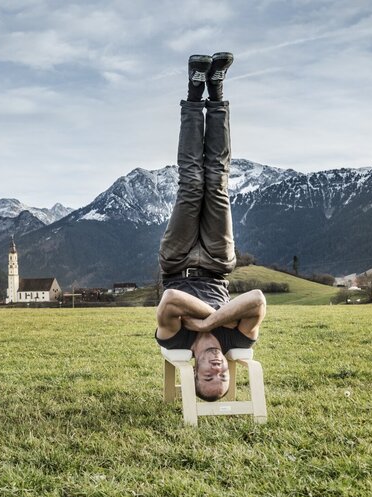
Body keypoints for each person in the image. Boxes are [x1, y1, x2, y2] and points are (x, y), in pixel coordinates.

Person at [155, 52, 267, 402]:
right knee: (217, 181)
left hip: (177, 261)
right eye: (222, 376)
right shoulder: (237, 340)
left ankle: (193, 92)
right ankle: (216, 92)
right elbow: (257, 300)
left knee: (191, 183)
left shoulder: (177, 340)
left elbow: (171, 299)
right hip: (218, 264)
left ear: (195, 374)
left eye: (208, 376)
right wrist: (213, 320)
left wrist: (207, 323)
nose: (217, 368)